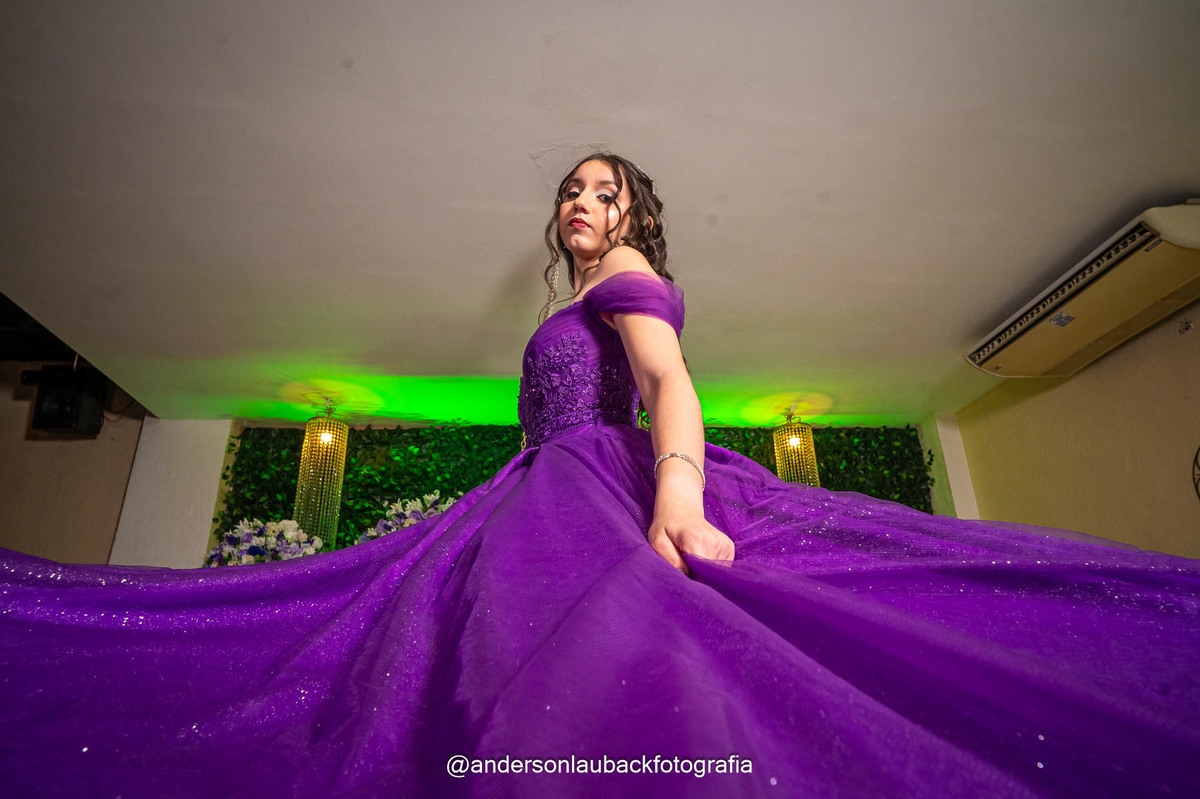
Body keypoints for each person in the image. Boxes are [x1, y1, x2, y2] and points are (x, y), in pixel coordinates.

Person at [1, 152, 1199, 799]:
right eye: (571, 192)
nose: (582, 203)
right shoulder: (576, 296)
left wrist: (676, 497)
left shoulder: (628, 274)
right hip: (540, 482)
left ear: (635, 216)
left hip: (594, 477)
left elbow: (670, 380)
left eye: (604, 191)